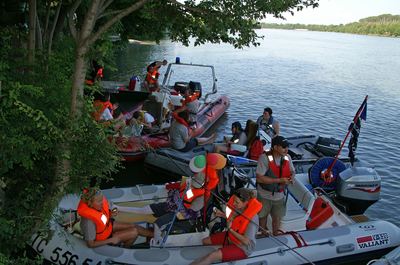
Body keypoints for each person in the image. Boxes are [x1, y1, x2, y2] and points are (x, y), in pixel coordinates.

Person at [190, 188, 261, 265]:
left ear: (246, 202)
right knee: (205, 241)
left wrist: (230, 229)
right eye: (234, 200)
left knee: (212, 256)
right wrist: (222, 214)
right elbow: (237, 220)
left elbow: (247, 241)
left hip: (242, 247)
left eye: (237, 202)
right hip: (231, 237)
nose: (234, 203)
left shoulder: (252, 218)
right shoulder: (240, 207)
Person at [77, 187, 153, 248]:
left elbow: (102, 218)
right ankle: (124, 248)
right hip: (103, 238)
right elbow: (90, 244)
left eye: (102, 200)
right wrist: (111, 240)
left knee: (133, 225)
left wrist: (110, 214)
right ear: (90, 203)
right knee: (134, 232)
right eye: (99, 201)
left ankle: (155, 235)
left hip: (107, 228)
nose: (102, 203)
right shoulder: (88, 222)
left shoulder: (97, 207)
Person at [255, 135, 295, 236]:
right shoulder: (264, 158)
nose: (287, 149)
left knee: (277, 218)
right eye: (284, 147)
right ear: (275, 147)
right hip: (264, 195)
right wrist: (279, 180)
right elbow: (259, 178)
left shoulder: (287, 157)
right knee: (262, 216)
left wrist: (292, 178)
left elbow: (292, 172)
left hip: (280, 196)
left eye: (287, 146)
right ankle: (263, 233)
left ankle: (276, 234)